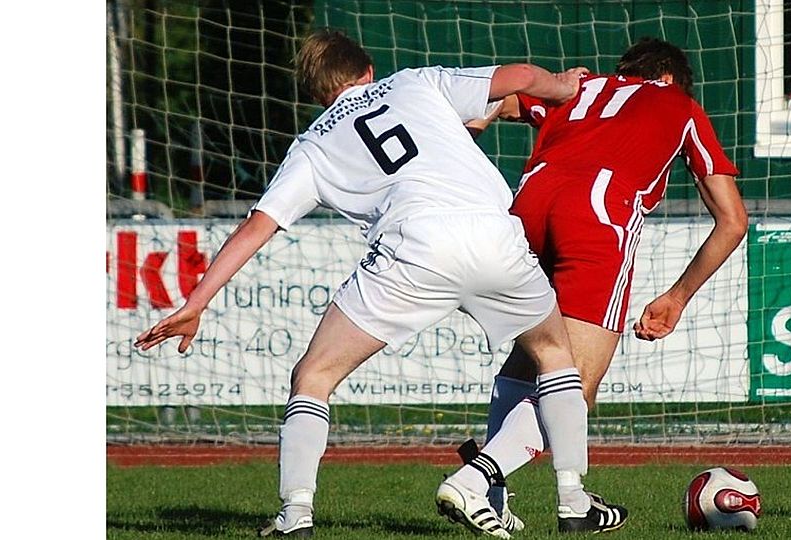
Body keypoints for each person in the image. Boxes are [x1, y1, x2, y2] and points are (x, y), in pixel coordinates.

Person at [133, 29, 626, 538]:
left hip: (412, 251)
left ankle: (295, 513)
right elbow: (520, 78)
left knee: (314, 376)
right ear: (366, 71)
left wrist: (196, 303)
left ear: (318, 94)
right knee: (553, 354)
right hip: (494, 234)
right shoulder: (413, 83)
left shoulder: (313, 146)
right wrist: (562, 88)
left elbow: (258, 225)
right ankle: (572, 501)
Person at [460, 37, 749, 527]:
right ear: (673, 80)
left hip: (528, 204)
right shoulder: (680, 106)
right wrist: (677, 297)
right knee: (572, 385)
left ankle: (508, 499)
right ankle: (473, 483)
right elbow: (733, 221)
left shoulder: (582, 85)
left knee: (531, 358)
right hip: (594, 213)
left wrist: (477, 124)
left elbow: (496, 96)